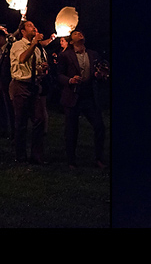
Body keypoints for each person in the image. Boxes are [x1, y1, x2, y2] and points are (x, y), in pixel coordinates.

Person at [57, 29, 107, 169]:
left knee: (99, 127)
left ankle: (99, 158)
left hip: (89, 96)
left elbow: (99, 72)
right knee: (72, 129)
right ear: (71, 41)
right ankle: (71, 161)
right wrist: (70, 80)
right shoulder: (66, 55)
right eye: (76, 34)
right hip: (73, 96)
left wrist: (98, 75)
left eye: (81, 33)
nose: (80, 34)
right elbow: (59, 75)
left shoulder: (93, 54)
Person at [9, 20, 51, 164]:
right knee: (21, 122)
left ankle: (36, 155)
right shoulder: (17, 45)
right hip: (20, 85)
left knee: (39, 119)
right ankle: (20, 156)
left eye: (34, 25)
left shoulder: (38, 49)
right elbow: (22, 58)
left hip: (34, 86)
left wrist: (42, 68)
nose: (34, 27)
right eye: (30, 26)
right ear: (23, 31)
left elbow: (35, 67)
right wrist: (33, 43)